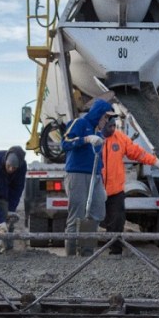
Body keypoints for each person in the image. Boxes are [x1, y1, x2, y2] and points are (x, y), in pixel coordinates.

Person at [98, 114, 159, 255]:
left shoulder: (120, 138)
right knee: (89, 220)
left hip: (115, 190)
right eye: (110, 126)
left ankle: (115, 252)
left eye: (114, 126)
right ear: (101, 124)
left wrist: (154, 161)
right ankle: (84, 252)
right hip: (95, 189)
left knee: (117, 221)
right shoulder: (92, 137)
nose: (112, 129)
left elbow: (137, 153)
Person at [62, 99, 114, 255]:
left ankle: (87, 253)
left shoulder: (98, 133)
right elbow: (65, 143)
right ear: (98, 114)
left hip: (94, 176)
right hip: (77, 174)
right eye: (105, 117)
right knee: (77, 214)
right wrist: (86, 139)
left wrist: (101, 182)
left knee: (97, 212)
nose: (107, 121)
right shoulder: (79, 123)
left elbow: (98, 160)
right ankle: (71, 256)